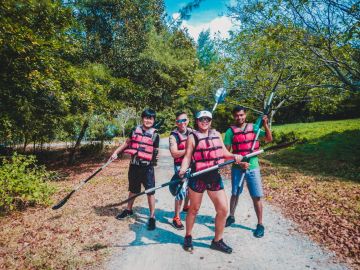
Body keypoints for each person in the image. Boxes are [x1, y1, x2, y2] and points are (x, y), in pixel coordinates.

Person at [178, 110, 243, 254]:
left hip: (213, 176)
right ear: (197, 120)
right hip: (198, 176)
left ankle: (217, 240)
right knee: (193, 209)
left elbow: (224, 154)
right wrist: (183, 169)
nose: (205, 121)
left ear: (211, 121)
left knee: (223, 209)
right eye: (202, 119)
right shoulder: (192, 137)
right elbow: (187, 157)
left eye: (207, 119)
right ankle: (188, 236)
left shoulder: (217, 134)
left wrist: (235, 156)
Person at [224, 105, 272, 238]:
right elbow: (226, 154)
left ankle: (260, 224)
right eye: (237, 115)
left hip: (253, 166)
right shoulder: (230, 132)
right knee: (235, 193)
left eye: (241, 115)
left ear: (245, 115)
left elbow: (269, 139)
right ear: (233, 116)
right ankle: (231, 216)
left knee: (256, 196)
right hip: (237, 167)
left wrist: (266, 125)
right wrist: (239, 163)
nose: (239, 117)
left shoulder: (255, 128)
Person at [111, 108, 160, 231]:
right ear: (142, 118)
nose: (148, 120)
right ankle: (128, 210)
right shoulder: (134, 130)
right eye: (146, 117)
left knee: (150, 192)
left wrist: (154, 160)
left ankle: (152, 216)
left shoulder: (155, 135)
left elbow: (155, 151)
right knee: (133, 189)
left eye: (151, 118)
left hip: (147, 168)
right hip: (134, 166)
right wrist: (116, 152)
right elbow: (126, 143)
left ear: (154, 120)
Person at [169, 112, 192, 230]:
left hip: (192, 164)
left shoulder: (193, 132)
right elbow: (174, 153)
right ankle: (176, 217)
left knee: (190, 188)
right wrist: (189, 150)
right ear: (176, 123)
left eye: (184, 120)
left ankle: (186, 206)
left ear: (188, 120)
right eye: (178, 121)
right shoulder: (173, 136)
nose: (181, 123)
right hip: (180, 166)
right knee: (181, 190)